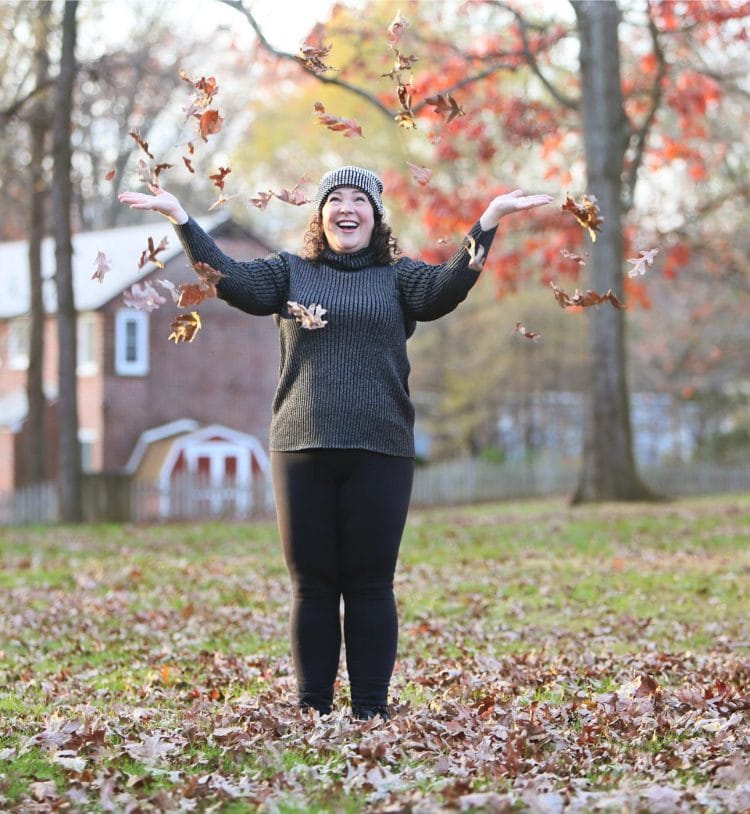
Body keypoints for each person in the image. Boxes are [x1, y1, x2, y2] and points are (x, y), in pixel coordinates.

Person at [119, 167, 552, 720]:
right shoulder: (289, 273)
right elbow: (230, 279)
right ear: (320, 214)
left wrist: (487, 221)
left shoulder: (399, 278)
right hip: (302, 449)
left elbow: (447, 288)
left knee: (371, 584)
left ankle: (370, 711)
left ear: (375, 213)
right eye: (335, 200)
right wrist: (182, 218)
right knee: (313, 585)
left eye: (358, 200)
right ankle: (313, 710)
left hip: (381, 449)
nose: (347, 209)